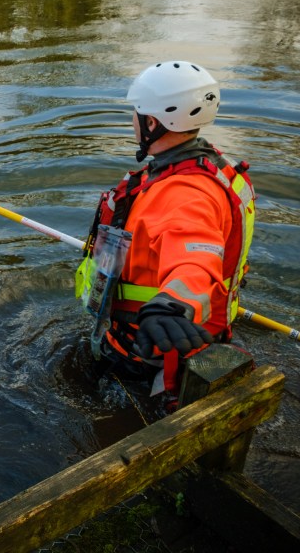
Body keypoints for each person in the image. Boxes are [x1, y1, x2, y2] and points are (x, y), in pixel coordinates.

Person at [77, 61, 256, 401]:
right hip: (202, 331)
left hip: (154, 346)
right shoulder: (214, 167)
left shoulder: (183, 193)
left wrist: (172, 304)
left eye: (137, 113)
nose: (133, 120)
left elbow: (196, 256)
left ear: (152, 123)